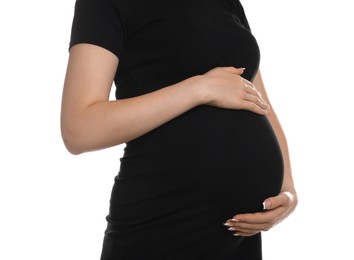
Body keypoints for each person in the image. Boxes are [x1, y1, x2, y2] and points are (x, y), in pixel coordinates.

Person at [61, 0, 298, 259]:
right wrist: (198, 89)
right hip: (163, 226)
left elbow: (259, 102)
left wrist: (287, 187)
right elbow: (79, 128)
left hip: (239, 238)